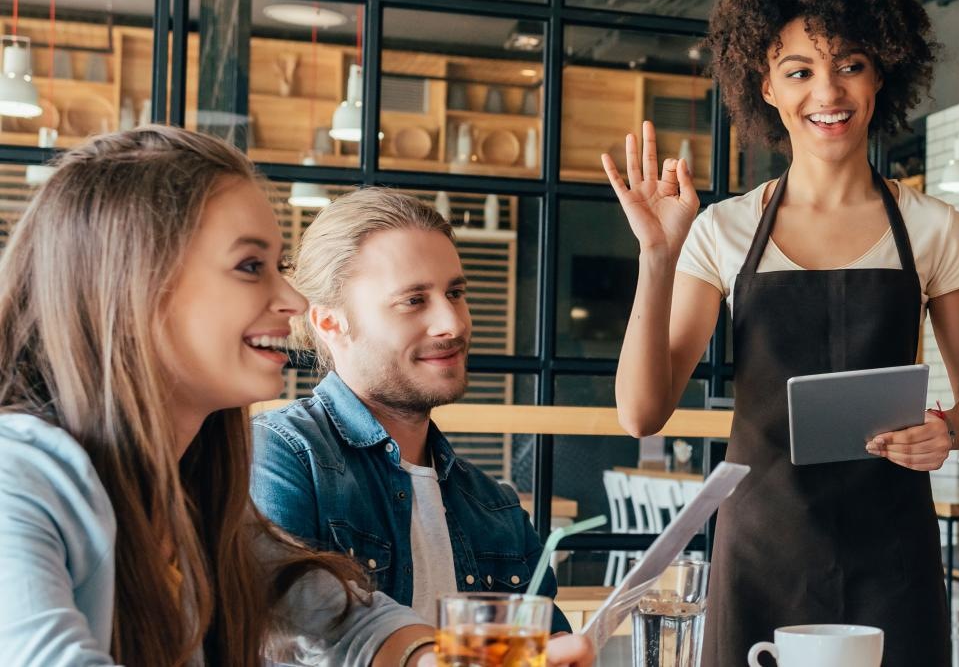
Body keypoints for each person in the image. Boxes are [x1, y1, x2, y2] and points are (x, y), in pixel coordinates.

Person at [0, 126, 586, 665]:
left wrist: (435, 658)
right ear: (133, 285)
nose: (295, 301)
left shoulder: (195, 486)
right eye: (250, 266)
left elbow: (339, 614)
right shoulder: (15, 477)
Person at [607, 0, 959, 664]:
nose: (828, 93)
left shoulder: (934, 228)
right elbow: (642, 415)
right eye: (798, 71)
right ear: (764, 85)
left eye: (851, 64)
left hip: (894, 548)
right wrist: (655, 256)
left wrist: (945, 431)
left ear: (882, 74)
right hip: (763, 548)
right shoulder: (723, 229)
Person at [252, 189, 572, 634]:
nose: (453, 324)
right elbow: (282, 638)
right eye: (414, 300)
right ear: (329, 322)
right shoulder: (281, 454)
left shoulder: (495, 508)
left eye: (455, 293)